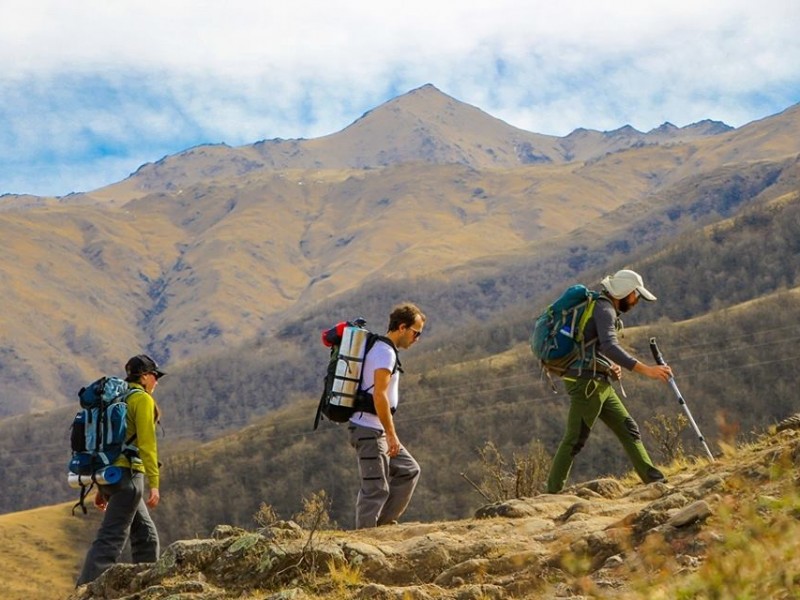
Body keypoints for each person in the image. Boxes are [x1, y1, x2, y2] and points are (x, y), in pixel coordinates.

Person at [546, 269, 673, 494]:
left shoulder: (601, 306)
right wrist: (647, 370)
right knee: (574, 439)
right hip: (587, 385)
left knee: (629, 428)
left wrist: (608, 365)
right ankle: (552, 493)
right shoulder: (605, 309)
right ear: (625, 292)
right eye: (636, 295)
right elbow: (610, 346)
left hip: (597, 381)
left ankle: (655, 482)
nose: (636, 301)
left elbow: (593, 346)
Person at [76, 354, 165, 586]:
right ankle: (86, 590)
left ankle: (146, 587)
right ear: (144, 376)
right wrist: (155, 484)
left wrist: (102, 488)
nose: (156, 381)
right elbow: (147, 445)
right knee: (110, 539)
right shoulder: (141, 399)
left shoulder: (115, 398)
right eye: (155, 375)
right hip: (128, 478)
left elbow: (107, 443)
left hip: (110, 476)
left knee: (146, 536)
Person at [348, 303, 425, 528]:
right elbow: (379, 395)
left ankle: (382, 527)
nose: (417, 339)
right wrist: (391, 435)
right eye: (416, 333)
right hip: (369, 429)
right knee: (375, 490)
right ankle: (364, 540)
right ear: (402, 328)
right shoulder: (385, 353)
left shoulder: (384, 349)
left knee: (409, 470)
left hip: (375, 429)